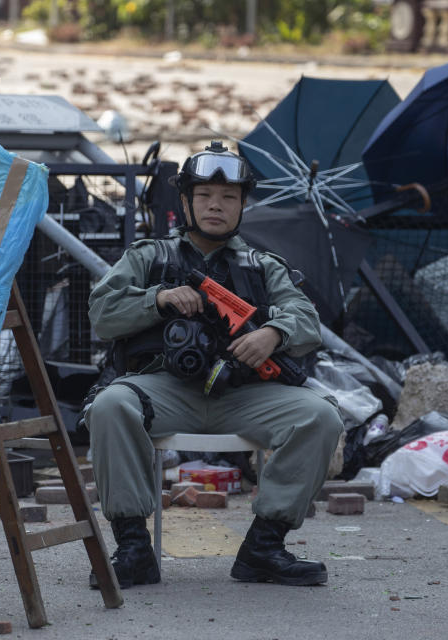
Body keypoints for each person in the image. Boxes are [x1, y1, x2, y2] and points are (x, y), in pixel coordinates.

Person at [84, 141, 343, 589]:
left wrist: (272, 334)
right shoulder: (150, 257)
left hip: (244, 393)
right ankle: (132, 549)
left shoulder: (263, 266)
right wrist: (158, 300)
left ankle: (264, 549)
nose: (215, 206)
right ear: (185, 202)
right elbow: (102, 314)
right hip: (163, 388)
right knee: (110, 406)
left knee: (320, 416)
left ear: (243, 204)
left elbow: (306, 320)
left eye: (228, 197)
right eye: (204, 196)